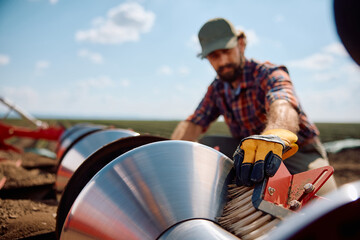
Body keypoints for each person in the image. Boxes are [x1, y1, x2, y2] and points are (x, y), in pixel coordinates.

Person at [171, 17, 337, 195]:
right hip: (251, 154)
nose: (223, 61)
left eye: (227, 51)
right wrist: (169, 153)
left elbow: (283, 102)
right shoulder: (217, 89)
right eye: (214, 56)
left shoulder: (267, 73)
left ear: (241, 44)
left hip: (296, 150)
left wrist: (275, 136)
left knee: (321, 199)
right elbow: (195, 122)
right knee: (204, 146)